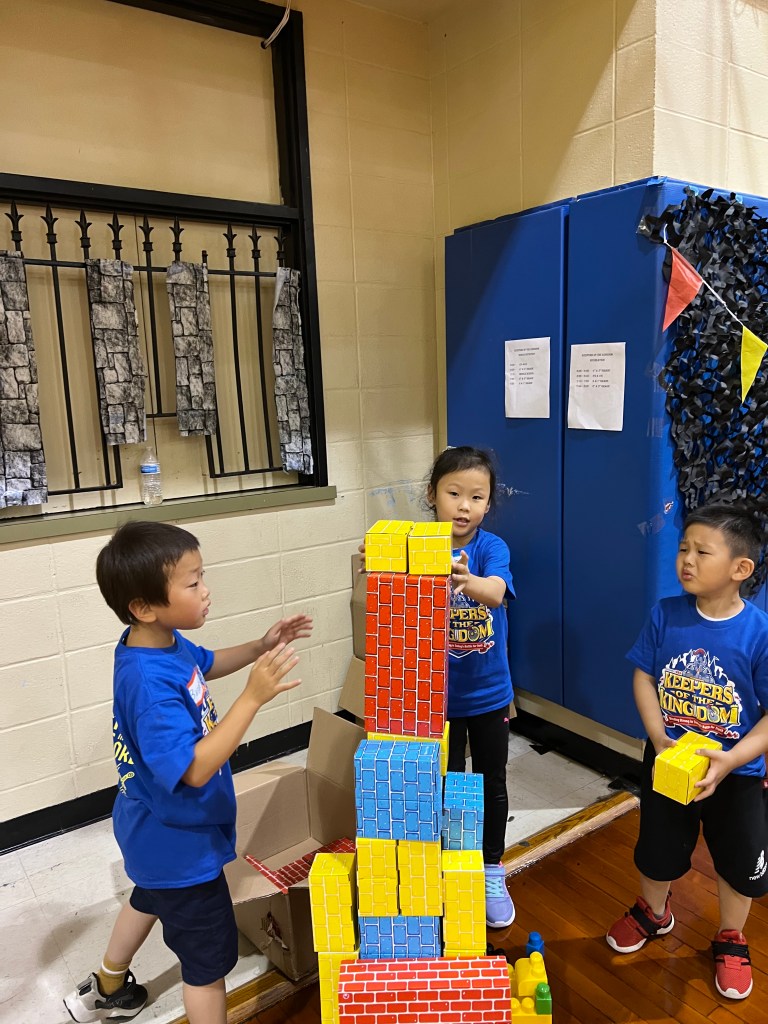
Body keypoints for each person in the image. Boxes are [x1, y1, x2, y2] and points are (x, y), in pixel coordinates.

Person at [63, 520, 311, 1024]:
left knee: (148, 895)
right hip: (180, 847)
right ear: (143, 606)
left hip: (151, 832)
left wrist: (261, 646)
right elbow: (194, 770)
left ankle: (108, 985)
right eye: (193, 583)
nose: (206, 590)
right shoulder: (150, 687)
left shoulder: (159, 643)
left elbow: (207, 662)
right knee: (207, 967)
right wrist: (252, 697)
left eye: (203, 577)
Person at [606, 504, 768, 1001]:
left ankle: (731, 936)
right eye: (683, 548)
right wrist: (658, 738)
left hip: (736, 776)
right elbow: (643, 676)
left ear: (741, 568)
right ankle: (655, 913)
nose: (687, 560)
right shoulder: (665, 614)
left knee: (738, 862)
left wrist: (733, 759)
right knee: (657, 848)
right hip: (669, 765)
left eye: (702, 552)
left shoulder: (759, 633)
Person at [361, 446, 516, 928]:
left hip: (488, 694)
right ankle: (450, 865)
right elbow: (389, 603)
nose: (464, 506)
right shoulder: (416, 545)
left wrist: (467, 579)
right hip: (431, 698)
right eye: (454, 493)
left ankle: (491, 867)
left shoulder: (491, 548)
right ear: (432, 495)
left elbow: (497, 592)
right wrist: (379, 567)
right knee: (444, 784)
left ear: (488, 503)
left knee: (490, 783)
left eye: (477, 497)